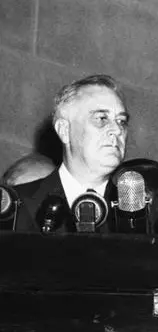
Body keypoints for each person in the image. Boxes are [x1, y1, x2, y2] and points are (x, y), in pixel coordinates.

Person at [13, 74, 128, 232]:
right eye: (101, 118)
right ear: (64, 130)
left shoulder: (145, 212)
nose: (117, 129)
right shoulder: (18, 207)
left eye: (121, 121)